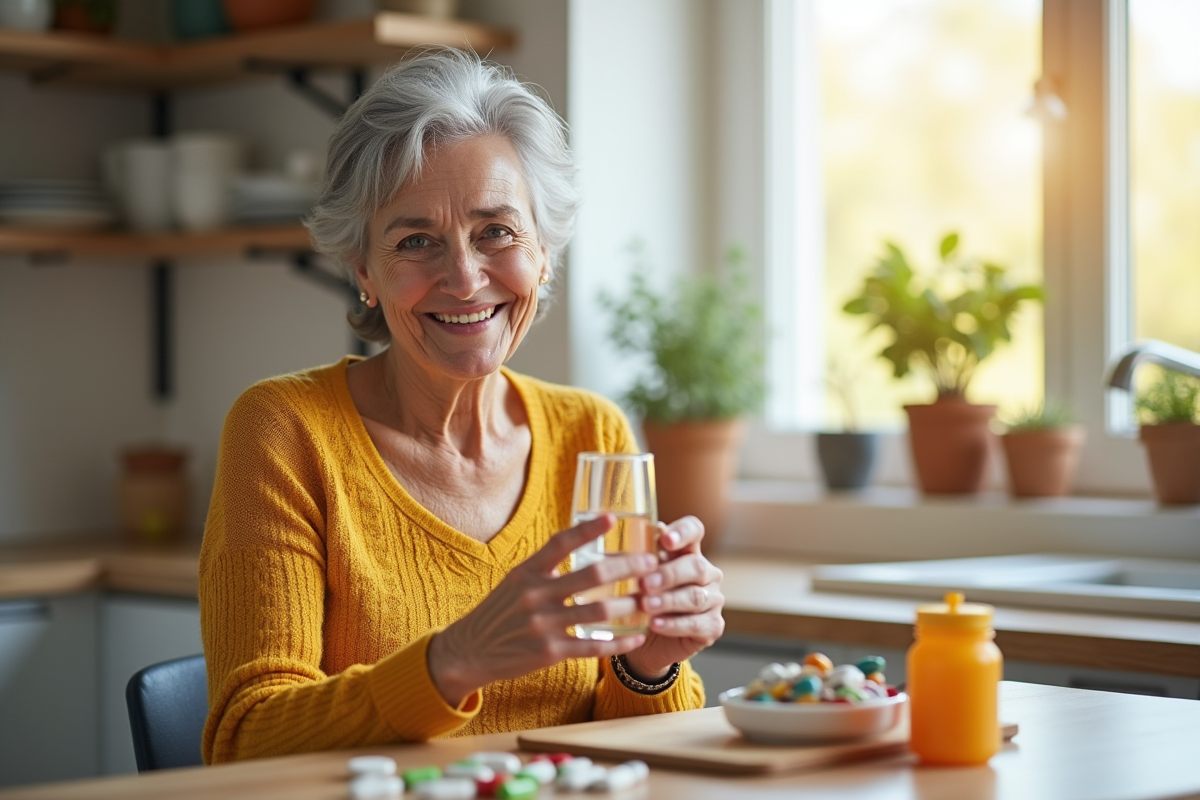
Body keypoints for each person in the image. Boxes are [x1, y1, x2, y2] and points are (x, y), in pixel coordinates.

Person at [199, 49, 725, 764]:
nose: (464, 277)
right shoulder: (285, 430)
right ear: (364, 271)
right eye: (416, 241)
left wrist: (651, 663)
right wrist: (456, 660)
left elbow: (634, 755)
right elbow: (246, 738)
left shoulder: (590, 434)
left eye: (496, 232)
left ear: (543, 252)